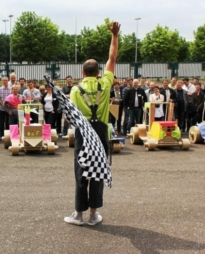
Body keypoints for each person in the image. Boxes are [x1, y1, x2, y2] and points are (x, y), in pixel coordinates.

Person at [64, 21, 120, 227]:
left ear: (82, 72)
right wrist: (114, 35)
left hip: (83, 133)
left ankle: (78, 214)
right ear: (99, 72)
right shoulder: (105, 84)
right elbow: (112, 57)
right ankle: (94, 215)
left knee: (81, 172)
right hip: (101, 132)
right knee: (97, 171)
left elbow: (70, 116)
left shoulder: (75, 90)